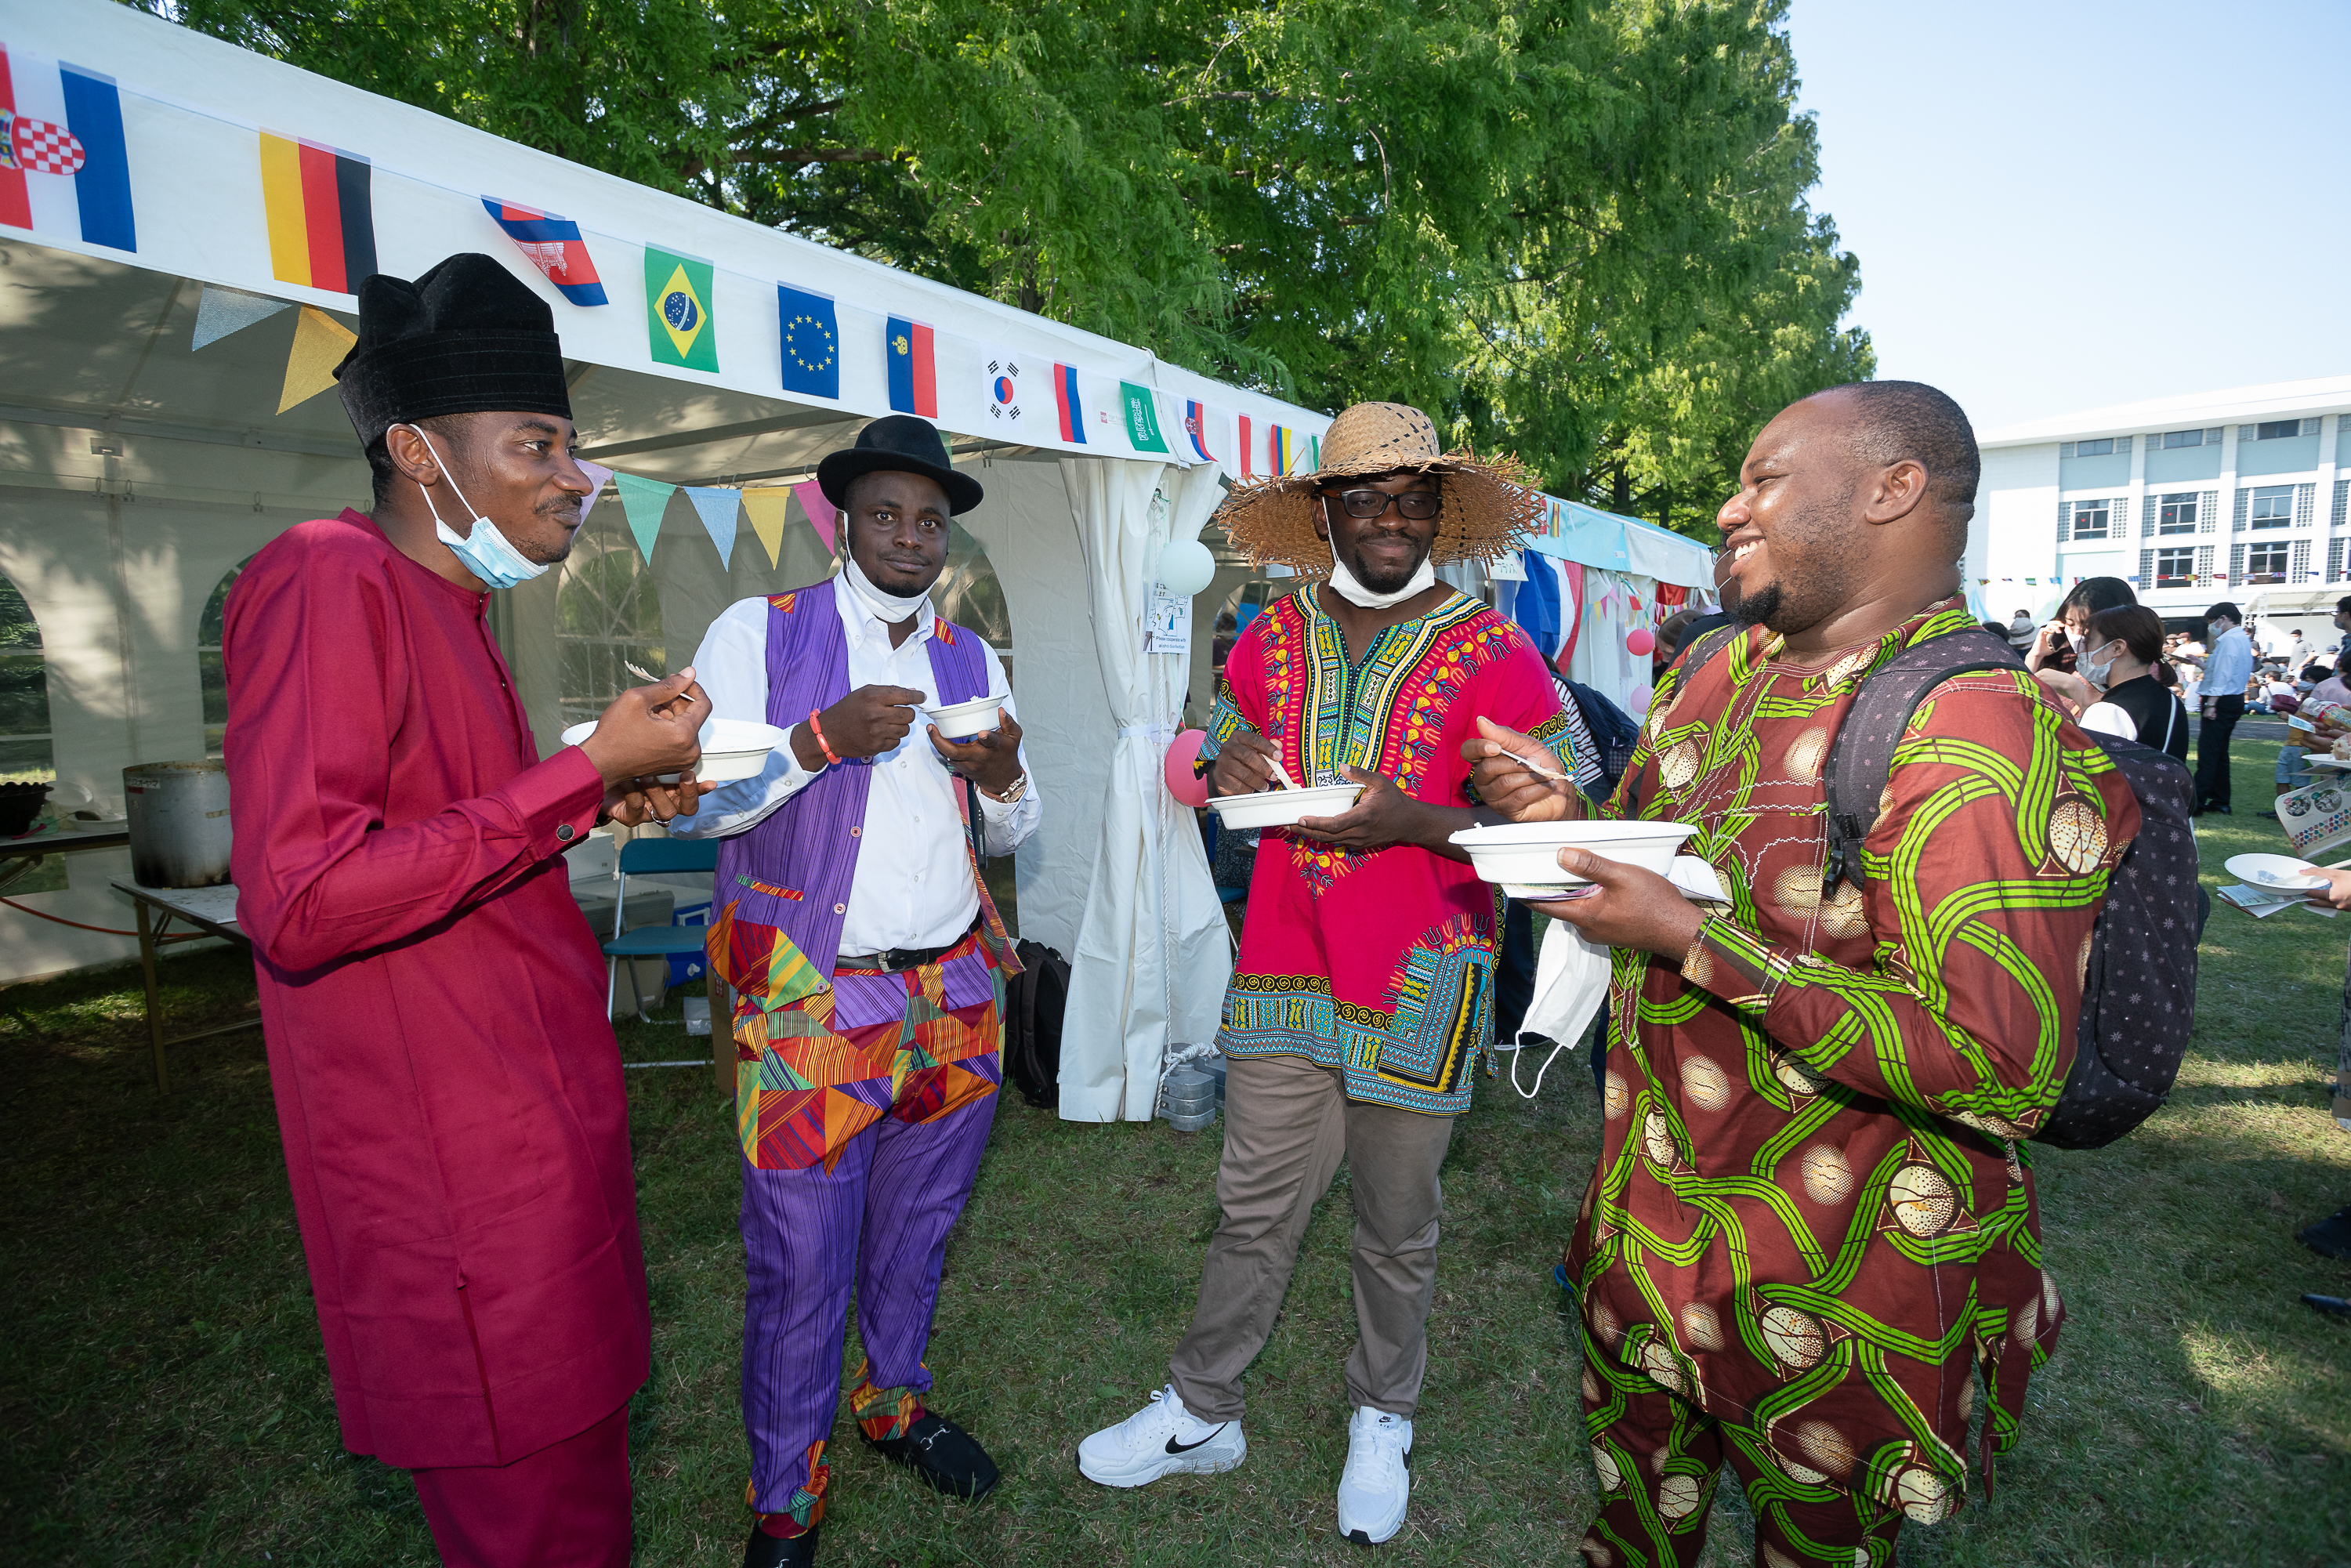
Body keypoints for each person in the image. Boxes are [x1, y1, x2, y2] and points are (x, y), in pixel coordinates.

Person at [1466, 381, 2136, 1566]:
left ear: (1894, 490)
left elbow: (1997, 1065)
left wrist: (1690, 940)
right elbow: (1657, 868)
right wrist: (1563, 818)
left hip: (1841, 1290)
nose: (1730, 506)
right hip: (1647, 1239)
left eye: (1766, 476)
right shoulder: (1716, 674)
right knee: (1631, 1526)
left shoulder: (1977, 727)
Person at [223, 254, 716, 1567]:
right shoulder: (329, 575)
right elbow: (302, 899)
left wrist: (597, 798)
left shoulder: (462, 611)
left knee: (585, 1502)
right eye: (538, 444)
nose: (576, 477)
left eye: (575, 445)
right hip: (460, 1189)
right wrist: (578, 771)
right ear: (416, 452)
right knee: (533, 1530)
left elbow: (445, 844)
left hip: (542, 1139)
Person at [1075, 402, 1567, 1546]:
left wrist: (1415, 820)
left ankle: (1382, 1413)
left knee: (1398, 1223)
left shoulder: (1495, 649)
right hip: (1286, 968)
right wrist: (1216, 754)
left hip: (1426, 977)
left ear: (1440, 515)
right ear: (1326, 512)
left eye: (1412, 500)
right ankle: (1205, 1409)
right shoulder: (1266, 633)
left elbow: (1552, 822)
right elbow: (1213, 760)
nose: (1392, 520)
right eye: (1366, 499)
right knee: (1253, 1207)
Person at [667, 416, 1041, 1567]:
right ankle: (785, 1495)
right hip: (808, 996)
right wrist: (815, 739)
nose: (911, 537)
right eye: (887, 513)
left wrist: (1008, 774)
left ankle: (893, 1402)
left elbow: (1024, 826)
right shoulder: (759, 636)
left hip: (958, 993)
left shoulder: (975, 661)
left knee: (917, 1230)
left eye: (931, 520)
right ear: (842, 518)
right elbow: (702, 806)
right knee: (797, 1259)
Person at [2073, 606, 2190, 760]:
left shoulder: (2108, 711)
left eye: (2089, 640)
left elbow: (2086, 774)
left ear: (2117, 648)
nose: (2082, 650)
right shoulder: (2171, 699)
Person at [2193, 602, 2255, 815]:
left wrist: (2211, 704)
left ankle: (2198, 802)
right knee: (2218, 753)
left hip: (2221, 700)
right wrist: (2201, 665)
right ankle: (2220, 799)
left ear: (2224, 618)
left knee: (2209, 752)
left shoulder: (2229, 641)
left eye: (2213, 621)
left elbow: (2223, 675)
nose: (2211, 626)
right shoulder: (2240, 639)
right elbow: (2223, 671)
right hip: (2231, 699)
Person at [2026, 576, 2135, 679]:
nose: (2077, 633)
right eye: (2070, 624)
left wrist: (2073, 687)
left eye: (2087, 625)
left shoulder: (2138, 667)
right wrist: (2035, 656)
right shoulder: (2059, 660)